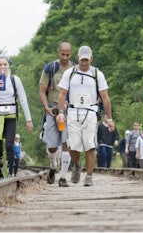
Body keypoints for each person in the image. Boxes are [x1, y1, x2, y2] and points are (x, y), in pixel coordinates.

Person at [56, 45, 115, 187]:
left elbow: (105, 97)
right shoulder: (69, 73)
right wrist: (60, 113)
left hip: (90, 113)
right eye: (82, 60)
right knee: (73, 145)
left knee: (90, 145)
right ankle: (77, 164)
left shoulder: (97, 74)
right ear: (77, 58)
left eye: (87, 60)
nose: (84, 63)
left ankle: (89, 176)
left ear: (91, 59)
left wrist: (109, 118)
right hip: (73, 112)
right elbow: (62, 94)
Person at [0, 55, 34, 179]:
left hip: (10, 116)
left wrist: (29, 119)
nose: (2, 67)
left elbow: (23, 99)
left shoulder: (15, 79)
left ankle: (11, 173)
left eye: (5, 64)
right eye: (0, 64)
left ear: (9, 65)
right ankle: (0, 175)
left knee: (9, 145)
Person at [39, 42, 74, 187]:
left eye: (67, 55)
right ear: (58, 53)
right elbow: (42, 90)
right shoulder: (50, 68)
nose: (65, 57)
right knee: (52, 144)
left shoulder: (75, 69)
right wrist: (46, 107)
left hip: (69, 110)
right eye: (62, 54)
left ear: (71, 54)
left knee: (67, 142)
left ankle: (63, 177)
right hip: (53, 109)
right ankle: (53, 166)